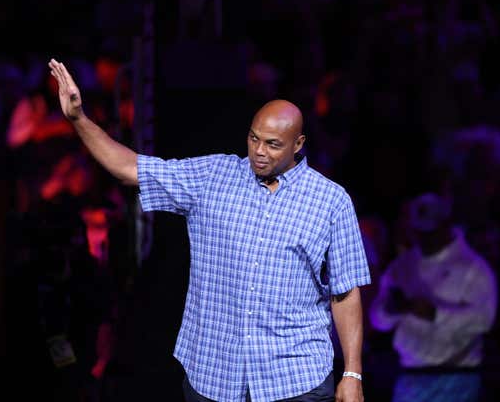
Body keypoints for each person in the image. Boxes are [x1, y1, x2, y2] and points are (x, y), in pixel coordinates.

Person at [48, 59, 371, 402]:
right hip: (216, 375)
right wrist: (78, 120)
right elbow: (130, 168)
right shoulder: (212, 178)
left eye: (273, 144)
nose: (259, 152)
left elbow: (345, 291)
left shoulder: (331, 201)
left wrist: (352, 373)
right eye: (253, 139)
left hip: (294, 377)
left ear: (298, 144)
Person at [369, 193, 498, 402]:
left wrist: (435, 313)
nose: (424, 237)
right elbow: (377, 320)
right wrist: (390, 310)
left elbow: (484, 320)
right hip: (410, 378)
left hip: (457, 377)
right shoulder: (402, 266)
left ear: (446, 224)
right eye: (419, 231)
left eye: (431, 231)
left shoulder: (474, 268)